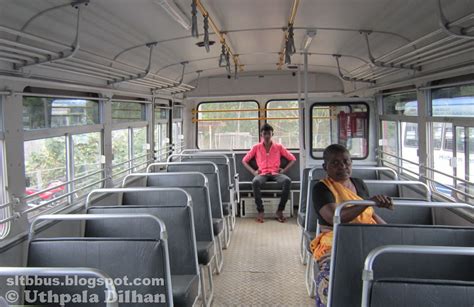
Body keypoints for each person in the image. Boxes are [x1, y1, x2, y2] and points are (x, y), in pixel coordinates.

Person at [310, 144, 393, 307]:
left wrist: (390, 232)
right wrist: (368, 203)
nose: (342, 166)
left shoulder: (359, 183)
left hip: (368, 234)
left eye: (346, 162)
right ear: (325, 167)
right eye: (335, 163)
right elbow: (336, 217)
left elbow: (371, 214)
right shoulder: (321, 188)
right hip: (336, 239)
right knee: (330, 279)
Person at [242, 123, 296, 223]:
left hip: (276, 173)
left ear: (272, 134)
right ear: (261, 135)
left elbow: (292, 159)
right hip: (262, 174)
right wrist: (253, 171)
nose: (267, 136)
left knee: (287, 181)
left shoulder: (278, 147)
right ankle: (261, 211)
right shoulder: (256, 147)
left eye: (269, 133)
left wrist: (284, 170)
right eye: (265, 133)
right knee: (255, 182)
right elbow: (244, 160)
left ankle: (280, 211)